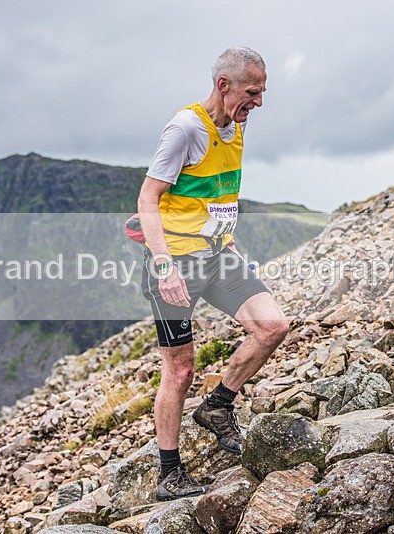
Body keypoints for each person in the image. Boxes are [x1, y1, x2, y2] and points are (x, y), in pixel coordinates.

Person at [136, 46, 290, 501]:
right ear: (224, 85)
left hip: (218, 255)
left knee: (272, 326)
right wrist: (164, 266)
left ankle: (218, 406)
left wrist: (227, 235)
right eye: (252, 92)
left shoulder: (238, 124)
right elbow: (148, 199)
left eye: (262, 93)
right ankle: (169, 474)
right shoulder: (185, 128)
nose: (258, 102)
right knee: (180, 370)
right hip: (175, 263)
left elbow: (218, 191)